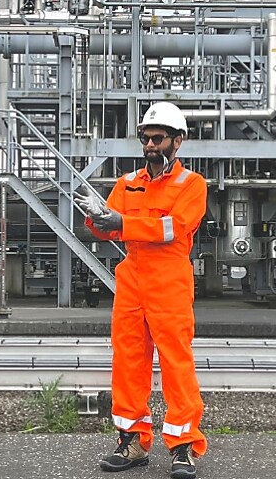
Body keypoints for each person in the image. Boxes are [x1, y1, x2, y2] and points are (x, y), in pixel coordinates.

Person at [76, 101, 209, 479]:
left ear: (177, 141)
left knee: (175, 364)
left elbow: (174, 228)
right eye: (145, 139)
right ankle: (132, 440)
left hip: (169, 281)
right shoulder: (127, 183)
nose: (150, 145)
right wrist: (95, 216)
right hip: (132, 281)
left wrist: (120, 219)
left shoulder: (192, 185)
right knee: (128, 363)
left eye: (158, 138)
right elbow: (110, 230)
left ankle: (184, 447)